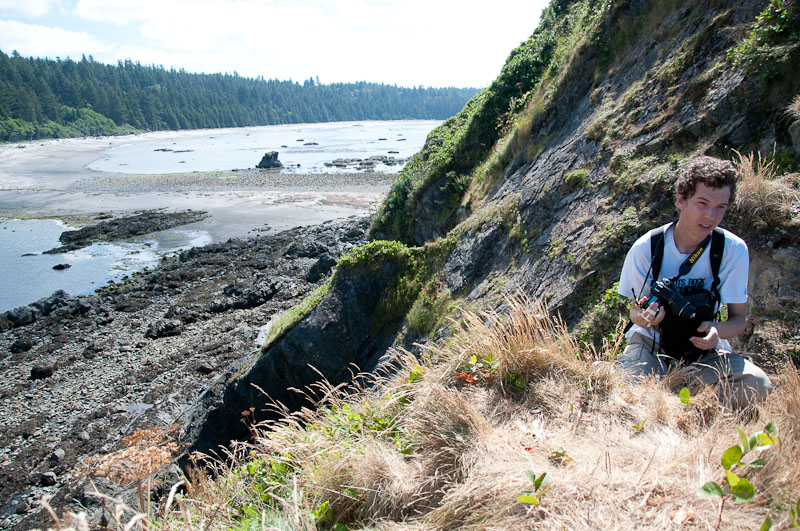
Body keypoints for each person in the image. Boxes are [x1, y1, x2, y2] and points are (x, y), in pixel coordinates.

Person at [616, 156, 772, 408]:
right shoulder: (647, 247)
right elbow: (634, 313)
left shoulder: (732, 249)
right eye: (702, 203)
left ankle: (676, 403)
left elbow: (738, 320)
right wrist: (645, 318)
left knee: (759, 385)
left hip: (703, 353)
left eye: (720, 207)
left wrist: (716, 331)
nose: (711, 216)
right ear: (681, 200)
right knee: (626, 392)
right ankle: (684, 401)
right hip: (652, 345)